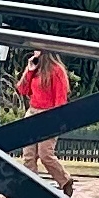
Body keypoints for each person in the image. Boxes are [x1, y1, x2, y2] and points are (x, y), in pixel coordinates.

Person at [17, 48, 73, 186]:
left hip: (48, 113)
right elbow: (22, 90)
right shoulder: (36, 68)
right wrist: (29, 70)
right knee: (28, 155)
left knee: (45, 154)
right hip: (32, 111)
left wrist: (56, 120)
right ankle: (32, 187)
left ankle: (65, 180)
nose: (34, 52)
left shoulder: (56, 70)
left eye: (37, 50)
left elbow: (60, 100)